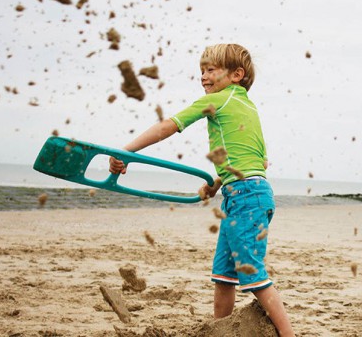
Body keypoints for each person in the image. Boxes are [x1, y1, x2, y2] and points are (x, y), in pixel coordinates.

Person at [109, 43, 295, 336]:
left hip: (247, 196)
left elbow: (169, 125)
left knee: (251, 271)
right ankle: (219, 330)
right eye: (201, 71)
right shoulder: (246, 105)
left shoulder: (218, 100)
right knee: (223, 276)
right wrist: (216, 184)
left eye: (211, 70)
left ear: (236, 74)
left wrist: (126, 151)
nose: (204, 76)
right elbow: (254, 160)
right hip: (245, 194)